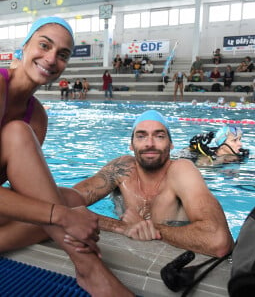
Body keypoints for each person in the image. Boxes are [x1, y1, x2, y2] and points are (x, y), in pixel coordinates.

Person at [0, 16, 133, 296]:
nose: (51, 59)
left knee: (70, 199)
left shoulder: (37, 116)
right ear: (23, 47)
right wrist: (59, 215)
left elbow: (26, 190)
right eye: (44, 45)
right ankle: (91, 271)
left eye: (63, 55)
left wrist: (62, 211)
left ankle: (89, 271)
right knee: (18, 135)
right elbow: (50, 209)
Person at [73, 110, 234, 257]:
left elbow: (218, 241)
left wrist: (150, 228)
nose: (149, 143)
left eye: (159, 136)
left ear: (171, 144)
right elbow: (64, 201)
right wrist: (122, 227)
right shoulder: (121, 168)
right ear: (131, 144)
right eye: (141, 136)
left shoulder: (181, 171)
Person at [177, 125, 249, 167]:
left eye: (240, 139)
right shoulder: (206, 153)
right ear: (222, 145)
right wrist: (192, 145)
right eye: (234, 140)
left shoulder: (238, 157)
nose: (240, 144)